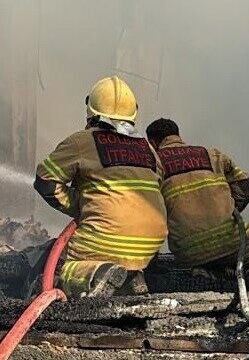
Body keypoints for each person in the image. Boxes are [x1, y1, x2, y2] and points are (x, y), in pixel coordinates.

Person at [33, 76, 167, 298]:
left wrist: (79, 205)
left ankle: (100, 273)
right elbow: (155, 189)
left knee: (53, 267)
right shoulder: (147, 148)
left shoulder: (81, 141)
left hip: (105, 242)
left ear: (91, 109)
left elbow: (45, 181)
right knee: (128, 261)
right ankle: (132, 276)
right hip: (149, 249)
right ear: (133, 112)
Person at [145, 117, 249, 287]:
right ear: (177, 135)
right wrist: (228, 210)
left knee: (202, 263)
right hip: (232, 240)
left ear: (152, 142)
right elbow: (245, 186)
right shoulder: (212, 154)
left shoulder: (152, 166)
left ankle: (209, 272)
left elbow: (148, 211)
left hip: (188, 252)